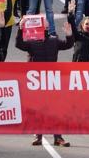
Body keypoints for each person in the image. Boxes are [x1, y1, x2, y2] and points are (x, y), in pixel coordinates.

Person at [16, 17, 74, 147]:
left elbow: (68, 44)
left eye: (45, 21)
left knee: (55, 110)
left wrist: (69, 34)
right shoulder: (31, 41)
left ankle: (58, 137)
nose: (43, 22)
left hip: (51, 80)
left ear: (47, 27)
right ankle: (38, 135)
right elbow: (19, 44)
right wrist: (20, 29)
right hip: (35, 81)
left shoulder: (54, 40)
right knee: (37, 109)